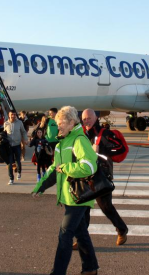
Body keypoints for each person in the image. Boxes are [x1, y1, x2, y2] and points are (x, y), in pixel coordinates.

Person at [32, 106, 99, 275]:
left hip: (79, 196)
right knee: (81, 233)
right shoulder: (63, 141)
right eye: (56, 123)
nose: (58, 126)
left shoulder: (79, 140)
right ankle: (90, 268)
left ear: (71, 122)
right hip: (69, 197)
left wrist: (67, 168)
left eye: (61, 123)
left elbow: (89, 166)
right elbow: (55, 168)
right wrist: (41, 186)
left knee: (65, 235)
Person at [81, 108, 128, 246]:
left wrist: (102, 150)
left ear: (96, 118)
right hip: (85, 177)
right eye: (84, 119)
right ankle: (82, 239)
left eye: (89, 118)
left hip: (102, 177)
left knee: (106, 207)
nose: (87, 121)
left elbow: (121, 149)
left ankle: (122, 230)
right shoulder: (81, 135)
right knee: (84, 209)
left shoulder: (105, 134)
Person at [4, 110, 28, 185]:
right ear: (9, 115)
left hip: (17, 145)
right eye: (12, 114)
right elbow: (4, 133)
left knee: (18, 160)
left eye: (14, 114)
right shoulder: (6, 123)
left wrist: (25, 139)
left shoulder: (19, 123)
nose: (13, 116)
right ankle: (11, 178)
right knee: (9, 163)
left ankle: (19, 172)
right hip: (9, 146)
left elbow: (23, 132)